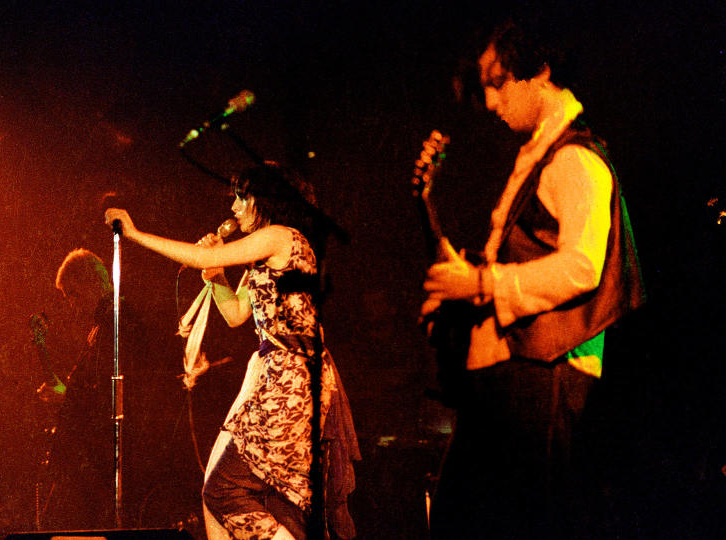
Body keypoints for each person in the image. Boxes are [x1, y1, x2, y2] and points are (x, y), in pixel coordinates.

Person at [421, 19, 646, 540]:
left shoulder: (575, 161)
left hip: (540, 379)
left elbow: (582, 266)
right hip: (509, 379)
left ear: (540, 72)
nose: (491, 101)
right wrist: (460, 285)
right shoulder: (542, 160)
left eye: (497, 82)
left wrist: (479, 286)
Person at [104, 162, 358, 540]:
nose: (235, 208)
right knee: (228, 490)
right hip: (278, 374)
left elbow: (202, 257)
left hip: (289, 379)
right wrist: (218, 278)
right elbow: (237, 314)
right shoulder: (265, 250)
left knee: (223, 488)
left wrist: (136, 234)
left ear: (264, 199)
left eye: (242, 197)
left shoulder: (279, 236)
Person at [39, 248, 117, 529]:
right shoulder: (102, 325)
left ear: (93, 283)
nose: (71, 304)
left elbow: (107, 393)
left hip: (97, 460)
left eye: (73, 294)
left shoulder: (113, 324)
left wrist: (66, 396)